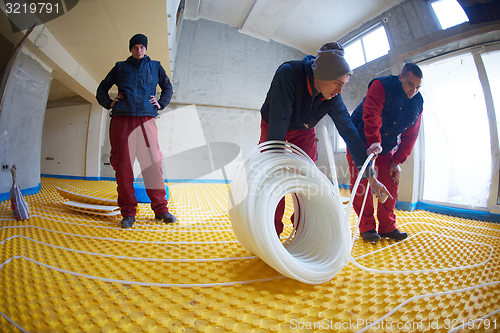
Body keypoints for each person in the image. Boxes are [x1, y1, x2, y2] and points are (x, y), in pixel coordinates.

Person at [259, 41, 391, 236]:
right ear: (322, 75)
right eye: (338, 83)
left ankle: (303, 228)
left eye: (343, 85)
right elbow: (279, 122)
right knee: (274, 175)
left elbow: (350, 132)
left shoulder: (333, 98)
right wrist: (274, 160)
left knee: (308, 178)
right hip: (274, 124)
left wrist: (371, 177)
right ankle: (271, 232)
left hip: (304, 130)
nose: (340, 91)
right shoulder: (289, 73)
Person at [96, 33, 176, 228]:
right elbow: (102, 89)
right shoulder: (120, 67)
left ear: (146, 48)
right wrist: (109, 102)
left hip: (146, 120)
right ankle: (128, 213)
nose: (139, 50)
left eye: (142, 47)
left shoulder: (155, 67)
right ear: (130, 49)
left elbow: (167, 88)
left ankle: (161, 209)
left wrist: (161, 103)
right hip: (122, 120)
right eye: (135, 47)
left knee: (153, 165)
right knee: (123, 167)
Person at [349, 63, 424, 242]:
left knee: (391, 179)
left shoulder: (418, 102)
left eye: (418, 87)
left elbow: (411, 134)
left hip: (387, 145)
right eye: (410, 84)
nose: (413, 91)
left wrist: (397, 161)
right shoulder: (381, 86)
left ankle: (387, 226)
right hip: (361, 138)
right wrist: (374, 141)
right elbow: (371, 114)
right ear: (401, 77)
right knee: (362, 183)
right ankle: (367, 227)